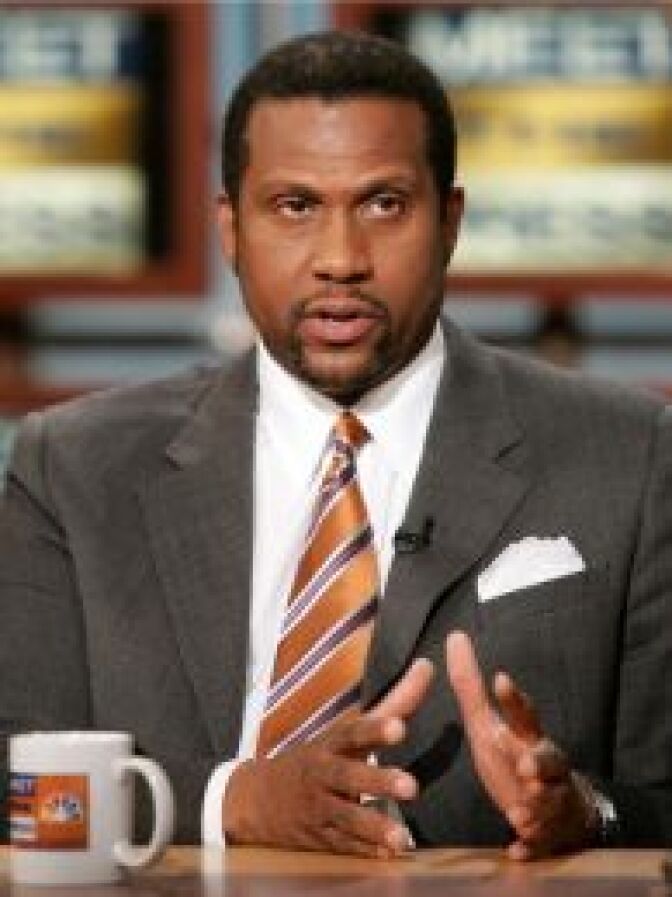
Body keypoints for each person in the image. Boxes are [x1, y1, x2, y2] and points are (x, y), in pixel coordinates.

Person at [1, 31, 672, 859]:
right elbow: (15, 771)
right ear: (230, 228)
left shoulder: (628, 456)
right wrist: (232, 798)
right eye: (295, 207)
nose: (340, 259)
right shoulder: (72, 467)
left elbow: (660, 795)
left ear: (450, 220)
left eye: (385, 203)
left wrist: (586, 813)